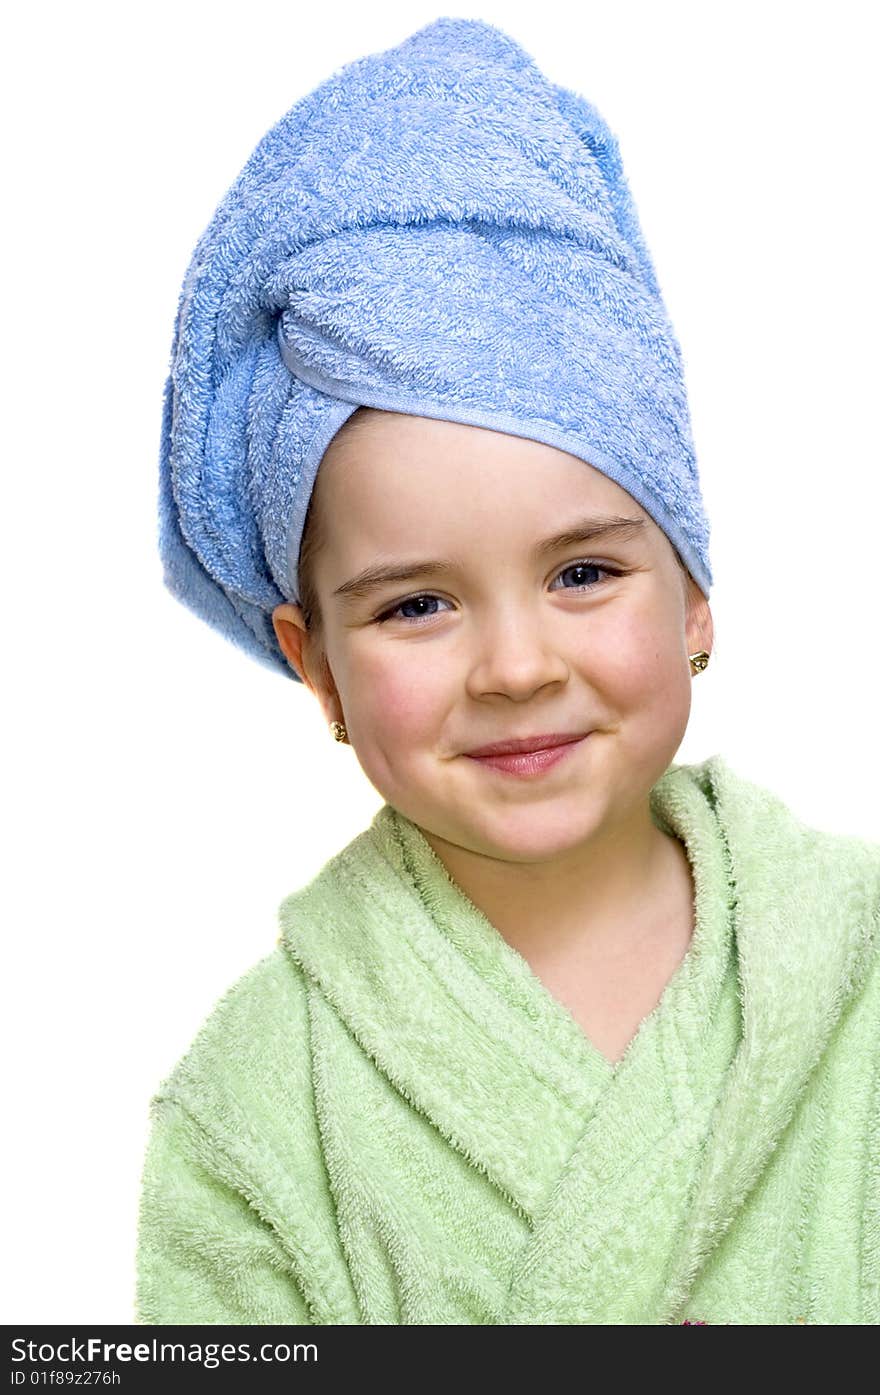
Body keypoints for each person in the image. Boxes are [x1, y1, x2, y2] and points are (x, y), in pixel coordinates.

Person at [136, 18, 879, 1325]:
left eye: (584, 573)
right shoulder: (252, 1108)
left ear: (695, 590)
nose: (518, 666)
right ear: (314, 668)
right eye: (417, 604)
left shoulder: (857, 970)